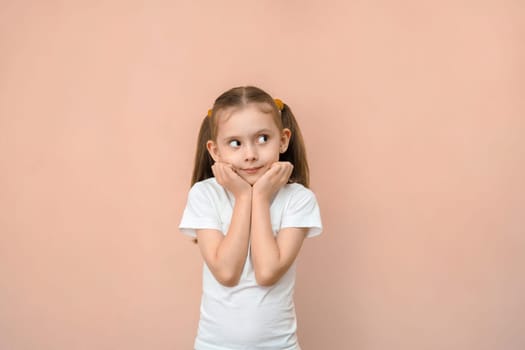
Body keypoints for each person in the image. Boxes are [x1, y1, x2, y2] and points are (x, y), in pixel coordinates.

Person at [179, 85, 322, 350]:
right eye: (235, 143)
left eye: (263, 138)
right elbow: (226, 272)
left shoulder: (298, 199)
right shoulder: (205, 195)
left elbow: (267, 272)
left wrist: (261, 197)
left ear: (283, 139)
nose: (250, 154)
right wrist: (244, 197)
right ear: (215, 151)